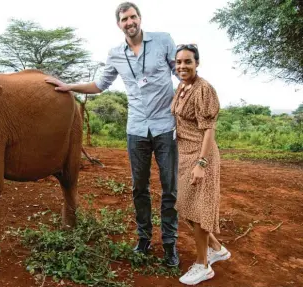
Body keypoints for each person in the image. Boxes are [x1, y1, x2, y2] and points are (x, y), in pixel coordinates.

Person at [45, 1, 180, 267]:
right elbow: (100, 84)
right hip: (137, 129)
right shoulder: (115, 53)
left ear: (140, 18)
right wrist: (67, 86)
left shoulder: (164, 40)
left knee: (169, 189)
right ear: (118, 24)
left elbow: (181, 73)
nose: (129, 22)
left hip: (166, 126)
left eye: (132, 17)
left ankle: (169, 244)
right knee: (138, 188)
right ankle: (143, 239)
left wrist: (198, 89)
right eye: (124, 19)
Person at [170, 44, 231, 285]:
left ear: (197, 63)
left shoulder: (204, 89)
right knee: (186, 207)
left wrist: (202, 163)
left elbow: (208, 130)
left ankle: (203, 265)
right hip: (185, 155)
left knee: (197, 209)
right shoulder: (183, 86)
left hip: (200, 155)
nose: (182, 66)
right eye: (179, 62)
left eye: (188, 62)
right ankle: (217, 248)